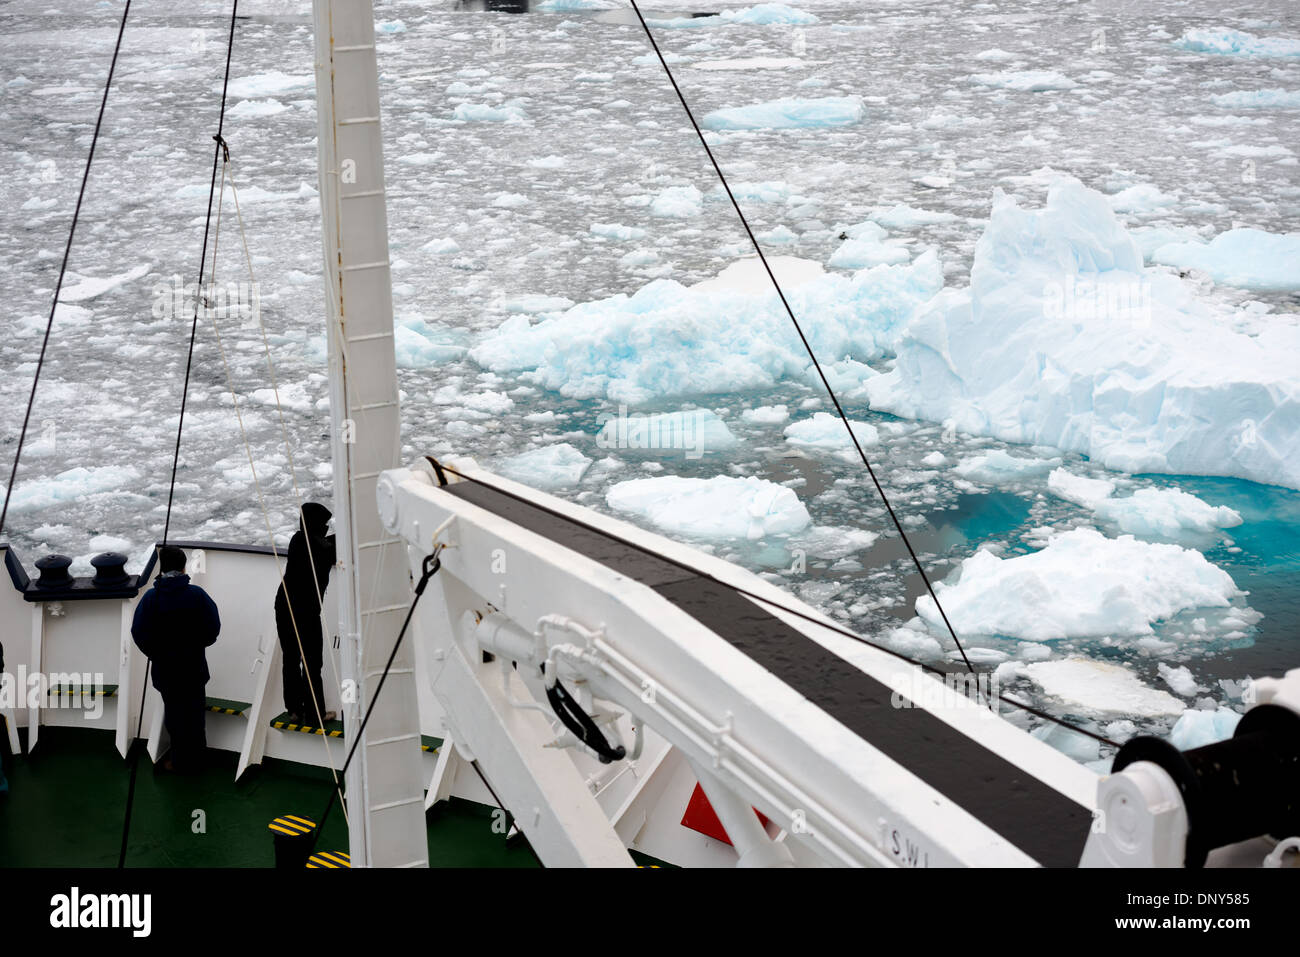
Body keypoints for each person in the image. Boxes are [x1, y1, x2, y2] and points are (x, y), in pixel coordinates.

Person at [131, 545, 221, 773]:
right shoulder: (197, 595)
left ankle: (179, 762)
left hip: (166, 670)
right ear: (183, 567)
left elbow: (139, 632)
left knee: (175, 717)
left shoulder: (151, 599)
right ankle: (198, 760)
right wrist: (197, 645)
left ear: (162, 569)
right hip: (194, 668)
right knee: (195, 715)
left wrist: (156, 653)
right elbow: (213, 628)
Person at [276, 502, 336, 725]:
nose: (327, 529)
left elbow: (324, 543)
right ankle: (314, 714)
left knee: (290, 659)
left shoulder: (297, 540)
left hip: (284, 607)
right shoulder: (319, 548)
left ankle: (294, 708)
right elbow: (327, 547)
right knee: (312, 663)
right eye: (325, 525)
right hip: (305, 612)